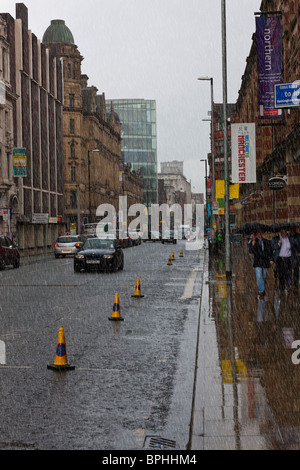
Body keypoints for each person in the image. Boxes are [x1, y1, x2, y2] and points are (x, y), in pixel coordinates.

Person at [270, 228, 298, 294]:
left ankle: (288, 287)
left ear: (286, 232)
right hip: (280, 259)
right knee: (281, 274)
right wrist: (278, 244)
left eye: (284, 232)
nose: (283, 233)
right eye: (282, 232)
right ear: (280, 232)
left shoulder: (290, 239)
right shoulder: (276, 239)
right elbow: (273, 247)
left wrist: (295, 257)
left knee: (288, 274)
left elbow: (294, 248)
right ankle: (281, 288)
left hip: (288, 258)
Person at [249, 229, 273, 299]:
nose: (260, 234)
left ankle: (263, 288)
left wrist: (271, 259)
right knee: (259, 276)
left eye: (261, 232)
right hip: (257, 262)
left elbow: (270, 251)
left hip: (265, 262)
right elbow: (250, 251)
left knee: (264, 277)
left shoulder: (266, 241)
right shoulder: (253, 242)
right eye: (258, 232)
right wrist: (252, 245)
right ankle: (261, 290)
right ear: (256, 234)